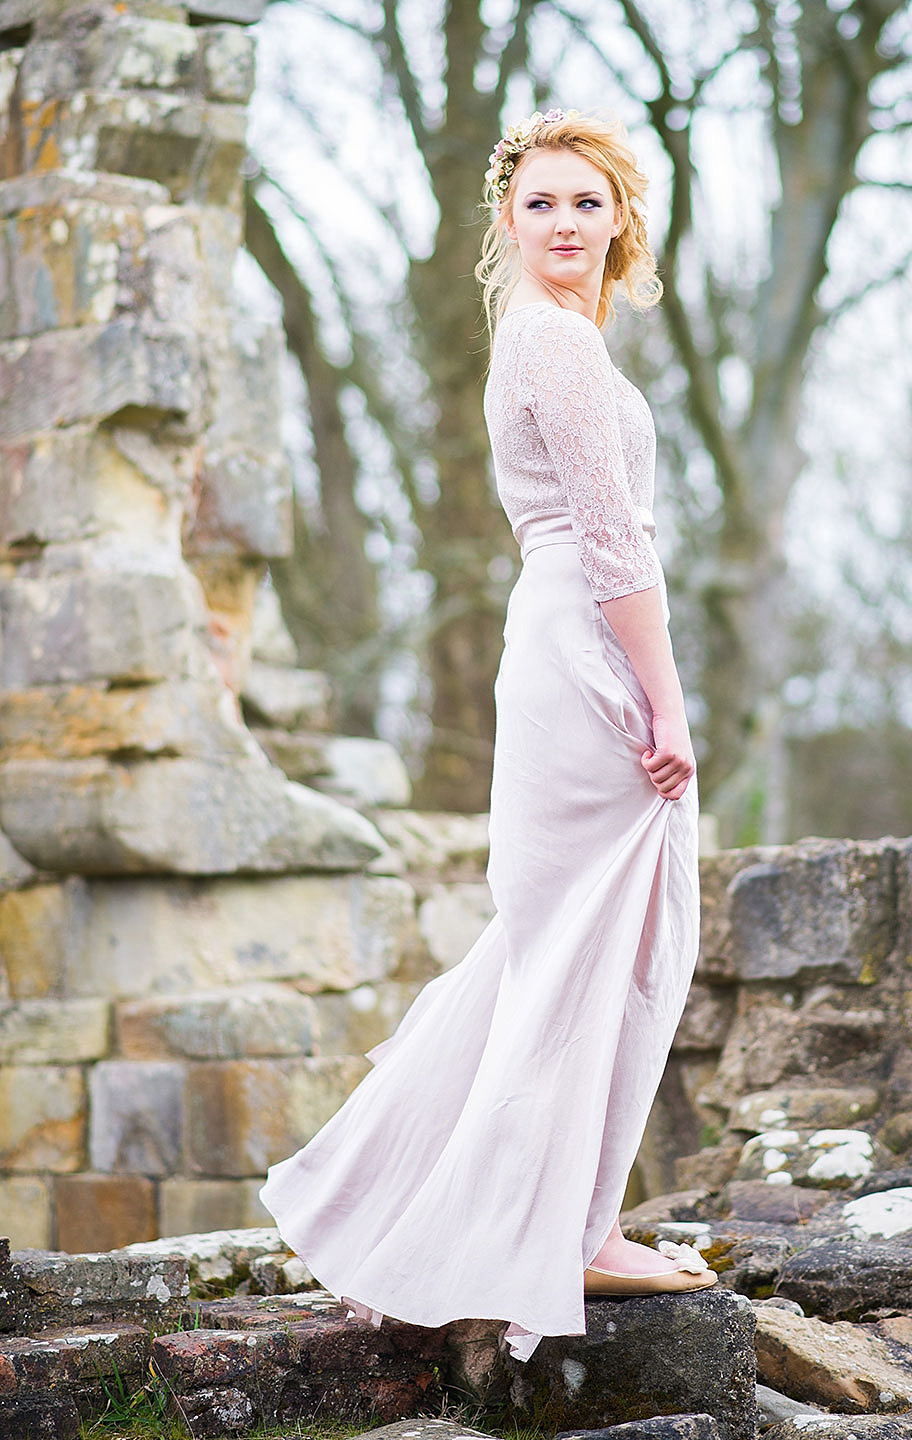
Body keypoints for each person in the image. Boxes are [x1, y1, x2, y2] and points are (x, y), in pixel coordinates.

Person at [259, 108, 716, 1365]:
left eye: (587, 202)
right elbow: (614, 539)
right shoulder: (555, 347)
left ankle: (454, 1207)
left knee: (563, 939)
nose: (565, 223)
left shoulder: (557, 338)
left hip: (563, 635)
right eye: (542, 204)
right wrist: (667, 702)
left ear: (621, 218)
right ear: (508, 224)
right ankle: (567, 1230)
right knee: (609, 941)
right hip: (586, 639)